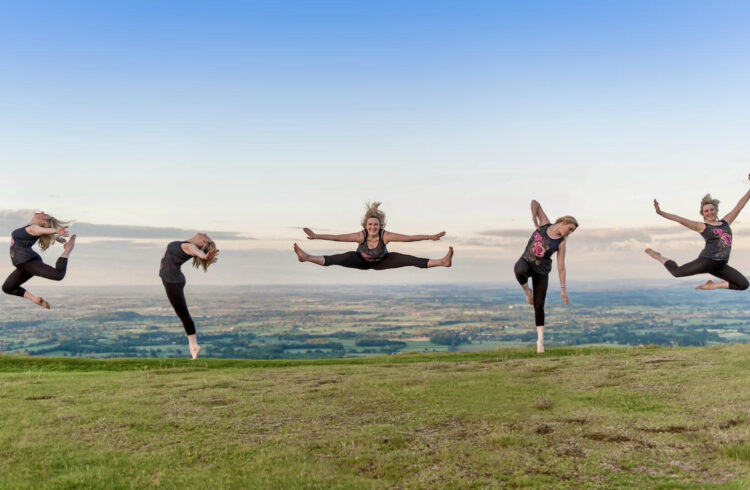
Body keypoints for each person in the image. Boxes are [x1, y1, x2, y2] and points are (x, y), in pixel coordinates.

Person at [645, 175, 750, 291]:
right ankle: (658, 256)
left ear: (716, 210)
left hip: (721, 265)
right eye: (706, 211)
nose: (710, 212)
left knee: (743, 284)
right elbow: (680, 219)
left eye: (711, 209)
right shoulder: (702, 226)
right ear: (703, 214)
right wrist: (660, 212)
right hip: (707, 261)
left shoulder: (726, 222)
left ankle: (713, 286)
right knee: (676, 272)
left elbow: (740, 205)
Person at [293, 201, 453, 270]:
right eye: (370, 224)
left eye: (375, 224)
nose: (373, 227)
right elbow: (336, 237)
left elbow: (408, 238)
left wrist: (429, 236)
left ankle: (443, 262)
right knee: (341, 257)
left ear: (380, 225)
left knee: (408, 259)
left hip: (382, 262)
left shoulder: (386, 235)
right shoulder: (359, 236)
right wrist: (316, 236)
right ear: (365, 226)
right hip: (360, 261)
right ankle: (306, 257)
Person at [513, 200, 577, 353]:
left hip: (541, 272)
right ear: (563, 222)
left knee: (539, 304)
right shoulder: (544, 224)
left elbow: (561, 268)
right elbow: (535, 202)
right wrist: (534, 217)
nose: (570, 232)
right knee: (519, 269)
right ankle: (528, 292)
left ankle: (540, 340)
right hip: (527, 262)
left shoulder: (561, 243)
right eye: (570, 229)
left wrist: (563, 289)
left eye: (572, 231)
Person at [160, 233, 219, 359]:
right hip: (172, 280)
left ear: (202, 242)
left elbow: (195, 252)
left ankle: (193, 346)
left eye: (206, 237)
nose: (206, 234)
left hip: (173, 281)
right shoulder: (186, 243)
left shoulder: (189, 246)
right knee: (182, 313)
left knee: (183, 314)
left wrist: (203, 256)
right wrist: (203, 255)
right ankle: (193, 345)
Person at [2, 211, 75, 309]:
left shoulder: (33, 228)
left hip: (28, 262)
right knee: (7, 288)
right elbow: (42, 231)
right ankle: (35, 299)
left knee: (58, 275)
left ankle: (68, 249)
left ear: (42, 222)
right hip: (22, 265)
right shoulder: (30, 227)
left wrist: (56, 231)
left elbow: (41, 230)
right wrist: (56, 236)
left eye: (44, 215)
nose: (42, 212)